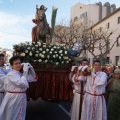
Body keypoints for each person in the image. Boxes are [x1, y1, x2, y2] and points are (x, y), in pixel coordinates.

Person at [0, 56, 36, 120]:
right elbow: (21, 84)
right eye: (16, 64)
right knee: (11, 115)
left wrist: (30, 67)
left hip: (21, 97)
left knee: (20, 114)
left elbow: (33, 78)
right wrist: (25, 72)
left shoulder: (20, 74)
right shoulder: (11, 74)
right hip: (13, 98)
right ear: (12, 66)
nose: (18, 65)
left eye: (19, 63)